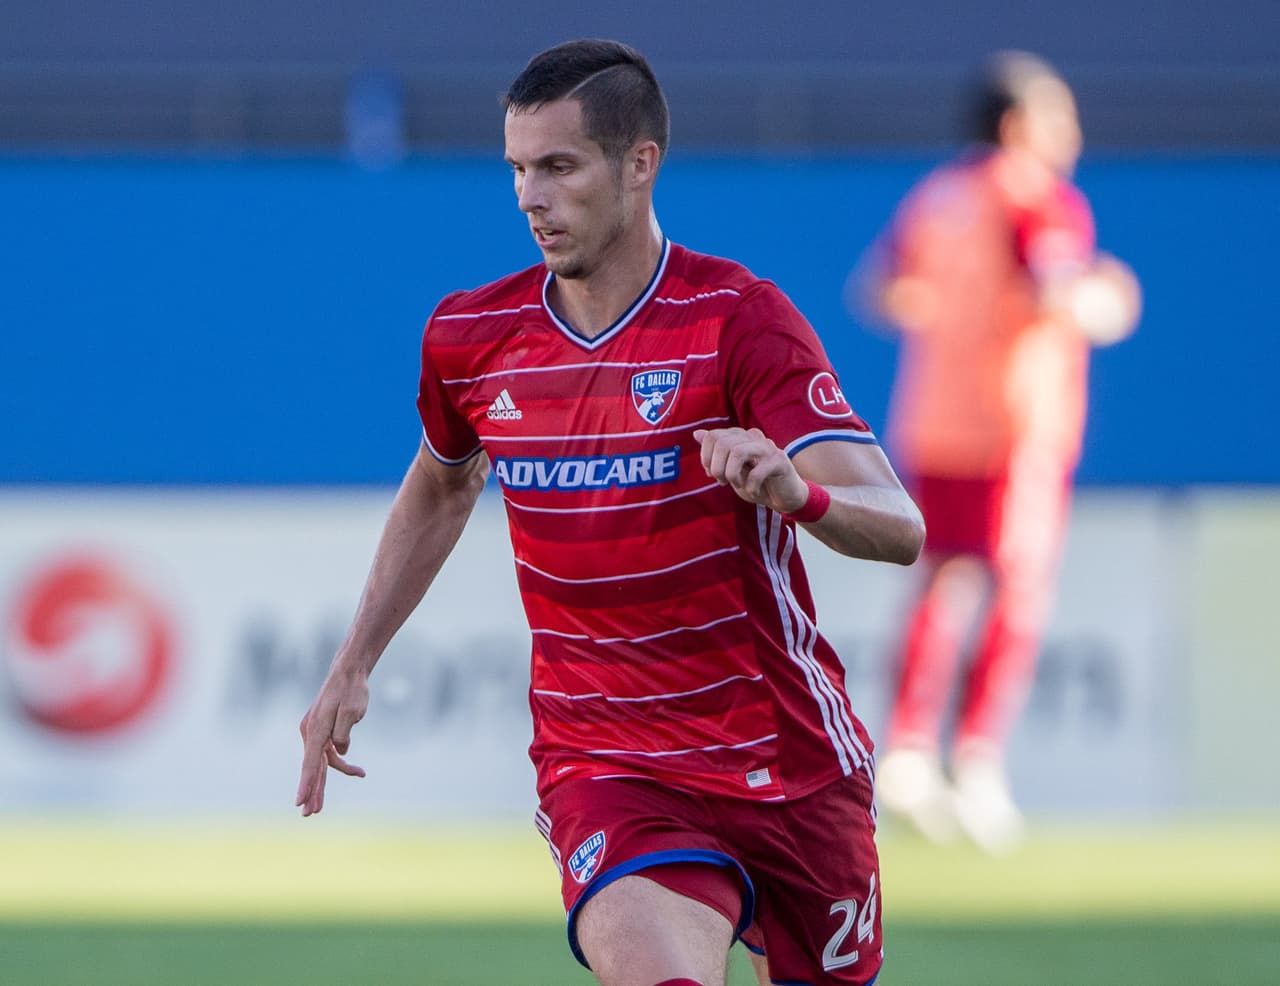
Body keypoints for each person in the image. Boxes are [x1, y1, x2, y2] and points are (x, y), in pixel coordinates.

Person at [296, 39, 924, 986]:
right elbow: (441, 483)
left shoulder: (736, 319)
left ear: (640, 163)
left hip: (787, 763)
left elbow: (899, 525)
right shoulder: (472, 336)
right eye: (515, 168)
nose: (528, 197)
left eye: (558, 166)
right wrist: (352, 664)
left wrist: (801, 495)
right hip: (609, 767)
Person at [856, 51, 1141, 853]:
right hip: (1013, 424)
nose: (1072, 136)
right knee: (1017, 587)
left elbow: (882, 290)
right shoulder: (1035, 197)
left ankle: (907, 751)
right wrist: (1110, 299)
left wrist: (954, 314)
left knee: (938, 582)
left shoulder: (939, 195)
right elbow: (1060, 292)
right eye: (1060, 118)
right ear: (1019, 124)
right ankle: (976, 763)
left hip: (934, 417)